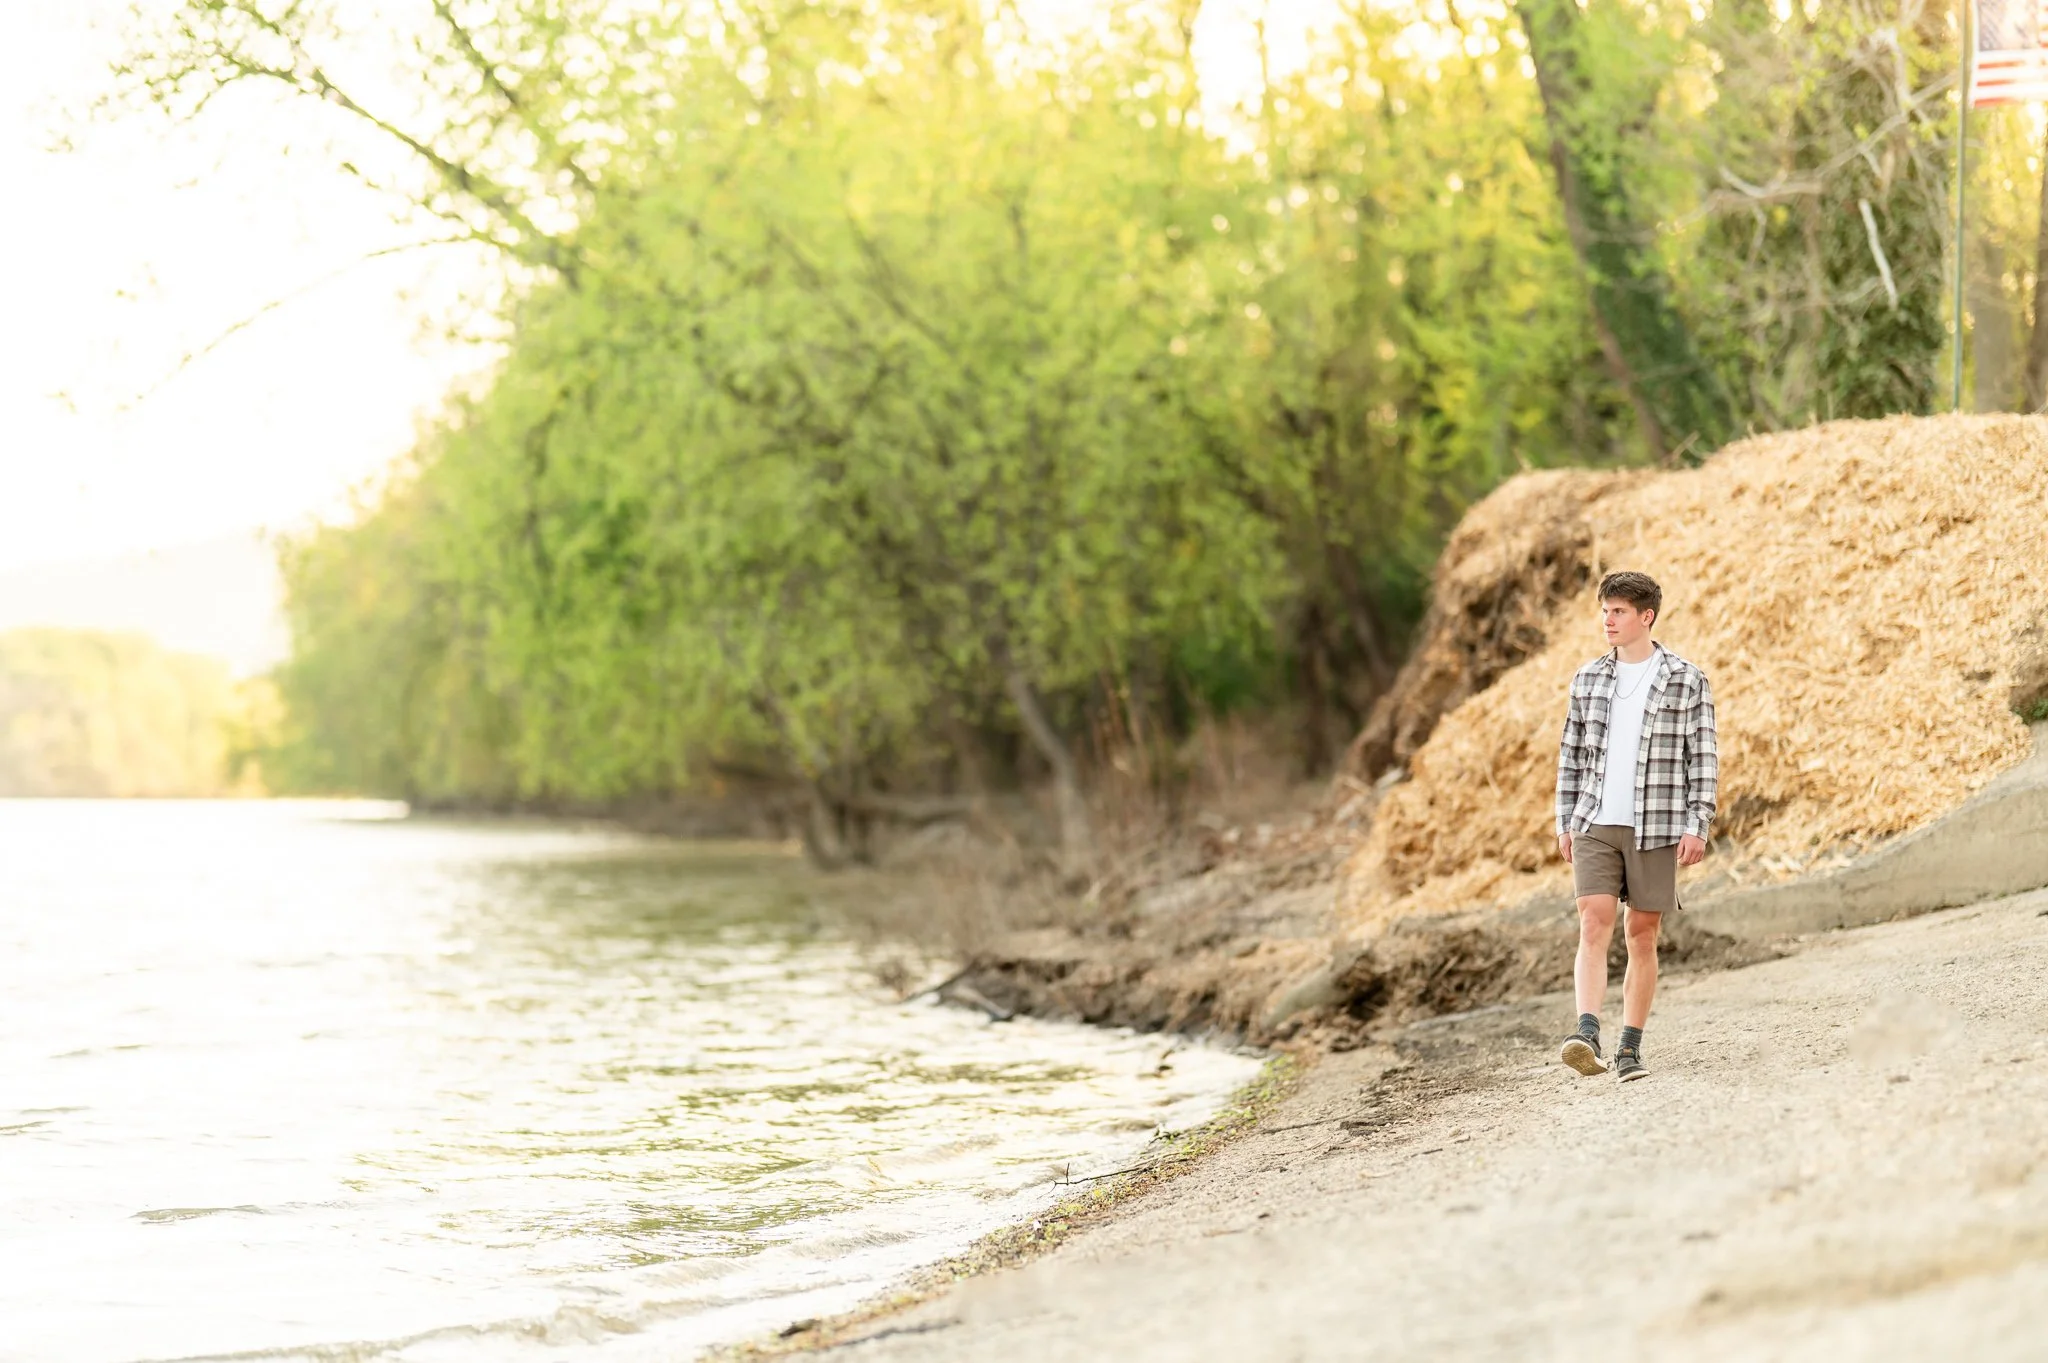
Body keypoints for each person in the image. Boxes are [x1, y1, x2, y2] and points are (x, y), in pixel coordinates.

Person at [1553, 571, 1717, 1081]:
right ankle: (1586, 1032)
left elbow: (1703, 757)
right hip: (1595, 819)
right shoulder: (1587, 679)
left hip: (1657, 821)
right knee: (1593, 919)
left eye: (1619, 611)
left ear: (1646, 616)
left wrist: (1698, 823)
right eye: (1605, 610)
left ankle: (1629, 1047)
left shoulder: (1686, 679)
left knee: (1641, 934)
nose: (1608, 619)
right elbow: (1570, 757)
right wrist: (1564, 820)